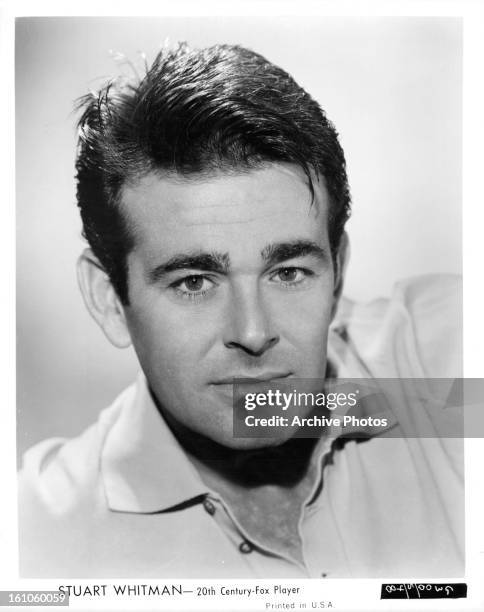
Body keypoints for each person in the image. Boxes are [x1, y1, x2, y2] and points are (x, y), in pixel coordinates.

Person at [18, 42, 463, 579]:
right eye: (194, 282)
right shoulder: (35, 540)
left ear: (338, 270)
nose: (253, 332)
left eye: (289, 273)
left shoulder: (445, 384)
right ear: (109, 298)